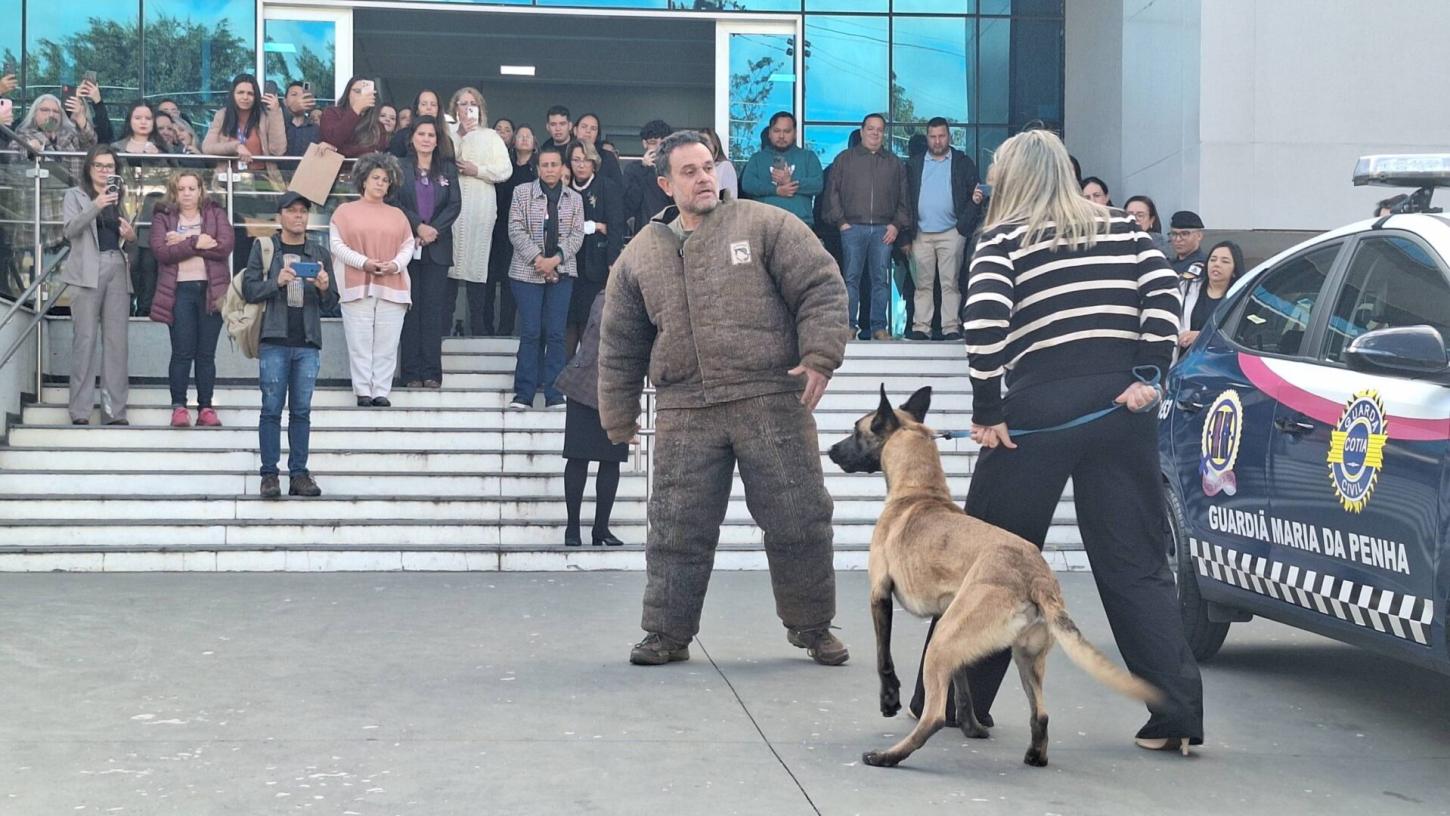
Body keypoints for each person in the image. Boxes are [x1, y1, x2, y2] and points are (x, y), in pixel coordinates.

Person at [948, 128, 1203, 752]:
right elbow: (1164, 295)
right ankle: (1176, 717)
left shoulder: (1002, 239)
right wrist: (1149, 374)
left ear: (1008, 179)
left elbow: (983, 326)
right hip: (1120, 407)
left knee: (994, 562)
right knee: (1137, 561)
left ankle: (957, 702)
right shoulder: (1122, 228)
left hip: (1035, 409)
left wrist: (988, 411)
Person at [597, 130, 852, 668]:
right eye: (688, 171)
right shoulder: (640, 254)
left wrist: (820, 355)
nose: (704, 178)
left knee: (799, 517)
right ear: (665, 183)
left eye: (708, 167)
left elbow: (821, 286)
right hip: (685, 407)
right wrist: (618, 414)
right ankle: (666, 633)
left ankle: (812, 627)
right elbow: (619, 339)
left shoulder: (766, 224)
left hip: (769, 398)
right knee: (675, 526)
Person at [242, 191, 338, 499]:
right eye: (292, 211)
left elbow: (332, 304)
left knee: (301, 411)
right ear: (280, 215)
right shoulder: (265, 247)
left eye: (303, 211)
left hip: (307, 341)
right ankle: (269, 474)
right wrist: (276, 282)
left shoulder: (318, 252)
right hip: (274, 340)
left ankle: (299, 473)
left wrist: (324, 288)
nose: (298, 216)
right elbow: (249, 290)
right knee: (271, 409)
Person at [148, 168, 233, 427]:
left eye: (191, 188)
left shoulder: (215, 213)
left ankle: (206, 407)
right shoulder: (163, 216)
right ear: (174, 191)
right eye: (181, 188)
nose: (186, 193)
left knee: (206, 354)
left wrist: (182, 241)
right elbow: (162, 252)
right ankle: (179, 407)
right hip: (179, 291)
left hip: (211, 291)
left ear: (200, 191)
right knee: (182, 352)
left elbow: (225, 246)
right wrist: (197, 241)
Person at [329, 152, 415, 407]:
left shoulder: (398, 215)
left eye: (385, 179)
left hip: (393, 285)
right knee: (359, 341)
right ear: (363, 180)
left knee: (388, 343)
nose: (380, 183)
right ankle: (363, 391)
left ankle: (381, 391)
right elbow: (336, 245)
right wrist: (363, 263)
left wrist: (396, 264)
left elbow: (408, 245)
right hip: (356, 285)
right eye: (375, 177)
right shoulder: (344, 211)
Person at [507, 143, 584, 410]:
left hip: (562, 272)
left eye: (554, 165)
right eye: (545, 165)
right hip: (526, 272)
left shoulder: (574, 198)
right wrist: (539, 260)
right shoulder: (522, 193)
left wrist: (555, 260)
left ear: (563, 167)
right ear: (537, 168)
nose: (550, 170)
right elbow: (515, 229)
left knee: (556, 334)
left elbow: (576, 235)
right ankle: (523, 394)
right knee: (530, 331)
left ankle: (554, 394)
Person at [62, 145, 135, 425]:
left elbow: (126, 239)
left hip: (116, 265)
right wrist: (96, 205)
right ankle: (80, 411)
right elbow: (69, 230)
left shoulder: (121, 197)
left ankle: (114, 411)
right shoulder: (75, 195)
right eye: (99, 165)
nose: (105, 171)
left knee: (117, 343)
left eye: (110, 166)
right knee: (85, 340)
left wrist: (129, 236)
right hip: (85, 271)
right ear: (89, 168)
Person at [822, 112, 910, 341]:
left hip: (884, 230)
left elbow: (905, 199)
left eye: (879, 129)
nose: (874, 133)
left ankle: (879, 326)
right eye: (870, 128)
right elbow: (831, 194)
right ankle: (849, 325)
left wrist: (896, 226)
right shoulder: (844, 159)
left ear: (884, 133)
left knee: (880, 280)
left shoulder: (894, 163)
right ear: (861, 131)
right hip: (852, 228)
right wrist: (841, 222)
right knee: (850, 278)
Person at [389, 116, 461, 389]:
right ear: (412, 138)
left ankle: (432, 373)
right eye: (422, 134)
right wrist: (417, 226)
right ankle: (410, 373)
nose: (427, 139)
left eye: (432, 135)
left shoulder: (447, 169)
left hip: (437, 248)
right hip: (408, 246)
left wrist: (432, 231)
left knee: (433, 311)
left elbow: (454, 205)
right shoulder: (400, 167)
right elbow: (393, 201)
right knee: (410, 310)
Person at [554, 292, 626, 548]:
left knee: (611, 460)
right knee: (578, 458)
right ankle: (572, 528)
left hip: (617, 389)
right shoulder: (606, 298)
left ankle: (601, 528)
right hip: (585, 385)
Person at [902, 117, 980, 341]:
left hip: (951, 232)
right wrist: (906, 234)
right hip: (921, 233)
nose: (937, 141)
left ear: (950, 137)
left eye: (941, 136)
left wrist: (962, 228)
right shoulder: (915, 164)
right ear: (927, 138)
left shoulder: (963, 162)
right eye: (933, 137)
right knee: (922, 285)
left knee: (950, 283)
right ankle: (921, 327)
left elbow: (975, 197)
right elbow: (905, 200)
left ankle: (951, 327)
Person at [446, 87, 513, 338]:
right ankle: (444, 329)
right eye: (462, 104)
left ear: (480, 108)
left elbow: (504, 170)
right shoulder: (447, 134)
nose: (467, 108)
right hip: (451, 207)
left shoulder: (491, 136)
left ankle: (479, 330)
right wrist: (461, 133)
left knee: (477, 268)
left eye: (472, 103)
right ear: (455, 108)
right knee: (449, 270)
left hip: (481, 207)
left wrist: (479, 170)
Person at [565, 140, 625, 357]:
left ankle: (583, 385)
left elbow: (616, 226)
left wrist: (612, 262)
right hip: (567, 264)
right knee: (567, 323)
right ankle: (562, 381)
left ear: (594, 163)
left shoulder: (607, 186)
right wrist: (594, 226)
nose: (581, 165)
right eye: (576, 160)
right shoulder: (564, 186)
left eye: (586, 160)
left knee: (589, 324)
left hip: (596, 264)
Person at [482, 124, 537, 337]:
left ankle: (506, 329)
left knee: (510, 282)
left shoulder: (536, 171)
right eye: (520, 136)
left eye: (528, 135)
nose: (523, 139)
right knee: (488, 280)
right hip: (495, 229)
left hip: (522, 234)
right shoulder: (504, 166)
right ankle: (485, 328)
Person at [741, 111, 824, 226]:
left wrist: (792, 182)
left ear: (795, 133)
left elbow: (818, 184)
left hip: (800, 224)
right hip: (765, 224)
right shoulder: (757, 158)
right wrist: (776, 190)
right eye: (776, 131)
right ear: (769, 133)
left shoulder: (808, 157)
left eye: (787, 131)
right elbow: (747, 184)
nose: (781, 136)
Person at [202, 74, 286, 159]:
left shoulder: (265, 116)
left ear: (256, 96)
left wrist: (275, 112)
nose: (245, 97)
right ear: (233, 95)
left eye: (250, 93)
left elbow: (278, 151)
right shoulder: (222, 115)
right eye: (240, 92)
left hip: (260, 171)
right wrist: (235, 147)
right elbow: (207, 147)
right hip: (229, 171)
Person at [1179, 240, 1243, 349]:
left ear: (1234, 270)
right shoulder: (1187, 287)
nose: (1217, 264)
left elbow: (1238, 338)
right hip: (1183, 357)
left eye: (1225, 261)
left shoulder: (1240, 298)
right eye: (1213, 260)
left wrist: (1201, 337)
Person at [622, 119, 673, 233]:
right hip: (644, 233)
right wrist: (645, 169)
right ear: (644, 143)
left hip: (672, 231)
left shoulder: (674, 169)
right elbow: (628, 206)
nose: (658, 148)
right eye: (653, 142)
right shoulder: (633, 169)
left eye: (663, 143)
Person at [318, 76, 388, 158]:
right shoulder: (332, 113)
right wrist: (356, 109)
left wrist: (338, 151)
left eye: (366, 93)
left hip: (365, 169)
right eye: (357, 91)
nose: (362, 96)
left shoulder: (378, 126)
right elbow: (332, 139)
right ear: (348, 94)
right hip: (337, 169)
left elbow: (374, 154)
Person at [16, 93, 96, 154]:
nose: (51, 115)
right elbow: (15, 159)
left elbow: (91, 146)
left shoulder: (72, 136)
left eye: (56, 111)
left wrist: (80, 119)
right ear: (34, 114)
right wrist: (30, 149)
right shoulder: (22, 136)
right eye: (45, 110)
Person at [572, 112, 623, 186]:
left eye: (593, 128)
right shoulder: (565, 155)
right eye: (584, 127)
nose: (588, 131)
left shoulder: (607, 157)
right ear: (575, 130)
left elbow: (618, 187)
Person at [387, 89, 442, 157]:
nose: (429, 108)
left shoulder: (446, 140)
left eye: (433, 105)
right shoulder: (401, 136)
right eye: (424, 104)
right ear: (417, 110)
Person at [1167, 210, 1207, 282]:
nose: (1178, 239)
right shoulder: (1168, 263)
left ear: (1199, 236)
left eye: (1184, 234)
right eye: (1174, 234)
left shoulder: (1203, 264)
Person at [282, 81, 320, 157]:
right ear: (285, 101)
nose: (298, 99)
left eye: (302, 95)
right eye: (294, 94)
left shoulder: (316, 128)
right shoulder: (278, 124)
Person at [698, 127, 737, 200]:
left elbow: (731, 198)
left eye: (706, 142)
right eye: (700, 143)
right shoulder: (696, 168)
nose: (703, 146)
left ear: (715, 146)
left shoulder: (725, 166)